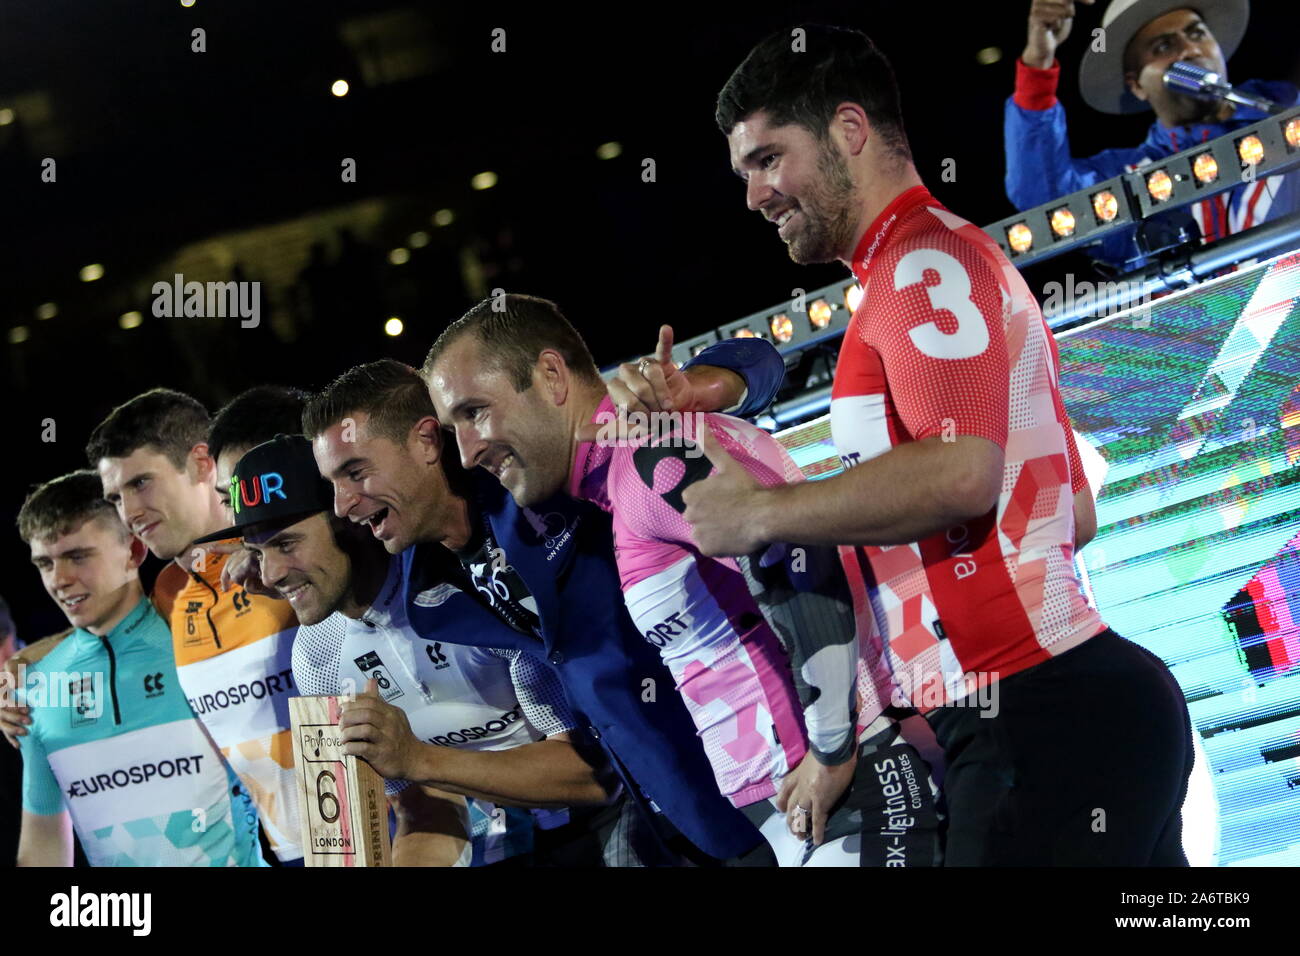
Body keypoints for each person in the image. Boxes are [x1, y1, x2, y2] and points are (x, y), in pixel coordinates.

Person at [689, 23, 1195, 865]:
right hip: (1073, 714)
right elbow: (1072, 512)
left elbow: (963, 473)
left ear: (850, 131)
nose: (755, 195)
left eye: (768, 159)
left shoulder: (922, 266)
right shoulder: (931, 266)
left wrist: (763, 515)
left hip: (1039, 719)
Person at [422, 293, 946, 866]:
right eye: (453, 429)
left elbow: (802, 559)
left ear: (551, 375)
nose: (467, 453)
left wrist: (832, 746)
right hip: (801, 807)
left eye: (474, 413)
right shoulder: (625, 472)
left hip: (844, 791)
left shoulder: (650, 454)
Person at [304, 342, 793, 864]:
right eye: (332, 484)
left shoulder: (531, 468)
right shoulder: (426, 595)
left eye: (356, 472)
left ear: (425, 441)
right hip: (681, 811)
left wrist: (697, 385)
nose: (343, 504)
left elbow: (760, 361)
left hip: (776, 747)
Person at [207, 434, 619, 866]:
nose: (269, 575)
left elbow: (594, 774)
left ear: (349, 518)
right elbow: (422, 810)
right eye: (256, 551)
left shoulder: (469, 584)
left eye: (286, 544)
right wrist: (417, 769)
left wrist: (418, 759)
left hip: (608, 818)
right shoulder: (315, 658)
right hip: (504, 845)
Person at [86, 389, 304, 865]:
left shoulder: (297, 551)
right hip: (290, 854)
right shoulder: (167, 593)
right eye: (115, 497)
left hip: (399, 830)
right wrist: (27, 661)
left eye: (141, 483)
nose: (129, 514)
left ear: (203, 463)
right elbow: (99, 637)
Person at [14, 471, 264, 866]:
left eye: (78, 556)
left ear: (133, 552)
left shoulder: (199, 645)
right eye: (45, 563)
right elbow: (42, 850)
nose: (59, 580)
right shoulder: (36, 688)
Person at [1006, 0, 1299, 269]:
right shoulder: (1128, 177)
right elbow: (1042, 198)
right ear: (1136, 86)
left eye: (1197, 34)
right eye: (1163, 47)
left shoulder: (1287, 112)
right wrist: (1038, 64)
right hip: (1191, 326)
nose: (1188, 51)